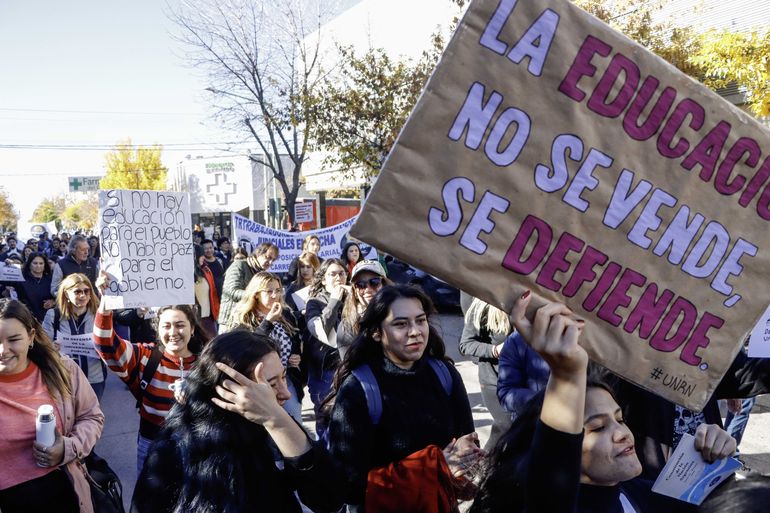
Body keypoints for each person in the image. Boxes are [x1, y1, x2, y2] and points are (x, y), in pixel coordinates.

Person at [470, 292, 736, 513]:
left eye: (620, 419)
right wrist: (566, 377)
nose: (622, 433)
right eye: (597, 428)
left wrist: (710, 460)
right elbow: (551, 489)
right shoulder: (552, 502)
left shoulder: (641, 495)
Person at [130, 329, 343, 513]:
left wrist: (278, 421)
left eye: (284, 377)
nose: (286, 393)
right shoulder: (174, 449)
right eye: (271, 384)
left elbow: (328, 499)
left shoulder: (272, 425)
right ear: (229, 390)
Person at [326, 284, 483, 512]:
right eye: (401, 324)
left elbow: (465, 444)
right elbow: (349, 485)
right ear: (376, 332)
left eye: (420, 320)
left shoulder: (444, 374)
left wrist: (464, 465)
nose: (415, 331)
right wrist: (433, 468)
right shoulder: (359, 389)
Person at [92, 271, 208, 473]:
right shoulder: (145, 357)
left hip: (197, 448)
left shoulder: (206, 363)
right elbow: (105, 344)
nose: (173, 332)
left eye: (180, 325)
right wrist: (106, 301)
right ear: (157, 329)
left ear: (192, 329)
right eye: (166, 326)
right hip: (152, 445)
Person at [0, 299, 104, 513]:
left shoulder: (63, 370)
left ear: (31, 337)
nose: (3, 350)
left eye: (14, 339)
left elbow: (92, 417)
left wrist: (67, 448)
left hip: (65, 495)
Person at [232, 271, 303, 422]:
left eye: (277, 290)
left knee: (294, 421)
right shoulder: (245, 320)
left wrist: (295, 355)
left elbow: (294, 340)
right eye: (269, 291)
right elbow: (249, 349)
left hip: (285, 379)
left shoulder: (285, 314)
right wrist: (268, 322)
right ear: (256, 294)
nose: (274, 295)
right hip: (258, 383)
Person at [459, 297, 516, 449]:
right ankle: (486, 460)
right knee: (506, 427)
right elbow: (465, 344)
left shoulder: (529, 303)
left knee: (520, 430)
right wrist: (495, 350)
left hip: (523, 381)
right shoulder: (484, 306)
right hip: (493, 381)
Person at [43, 273, 107, 399]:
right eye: (77, 292)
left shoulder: (99, 315)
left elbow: (110, 343)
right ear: (66, 294)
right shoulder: (53, 315)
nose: (83, 295)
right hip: (64, 378)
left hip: (94, 378)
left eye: (86, 291)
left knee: (92, 411)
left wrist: (103, 348)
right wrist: (51, 348)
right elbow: (43, 345)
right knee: (67, 411)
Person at [304, 258, 348, 436]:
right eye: (333, 274)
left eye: (342, 273)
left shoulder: (353, 298)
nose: (338, 277)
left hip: (349, 366)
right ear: (323, 280)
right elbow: (320, 329)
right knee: (326, 418)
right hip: (325, 372)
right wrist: (334, 301)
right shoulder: (314, 303)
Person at [338, 259, 393, 360]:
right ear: (355, 292)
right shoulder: (347, 326)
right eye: (360, 285)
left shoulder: (401, 313)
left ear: (384, 284)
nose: (368, 289)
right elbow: (350, 364)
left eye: (374, 282)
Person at [218, 242, 279, 332]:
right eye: (268, 257)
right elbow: (231, 291)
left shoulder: (261, 273)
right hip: (230, 321)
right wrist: (256, 295)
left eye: (273, 260)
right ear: (259, 253)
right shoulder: (239, 265)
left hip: (249, 321)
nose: (270, 262)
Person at [14, 252, 55, 322]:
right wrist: (7, 266)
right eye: (35, 263)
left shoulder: (51, 279)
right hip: (26, 319)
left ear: (45, 265)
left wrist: (53, 302)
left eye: (41, 263)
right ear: (29, 264)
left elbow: (60, 296)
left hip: (47, 320)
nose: (38, 266)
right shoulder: (20, 278)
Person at [285, 250, 321, 318]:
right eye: (302, 266)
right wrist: (301, 313)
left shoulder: (321, 285)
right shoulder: (294, 287)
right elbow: (288, 312)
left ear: (315, 268)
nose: (305, 270)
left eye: (308, 267)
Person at [193, 244, 220, 338]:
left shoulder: (206, 270)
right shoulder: (187, 274)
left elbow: (213, 292)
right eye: (201, 256)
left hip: (208, 315)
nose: (203, 258)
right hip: (195, 316)